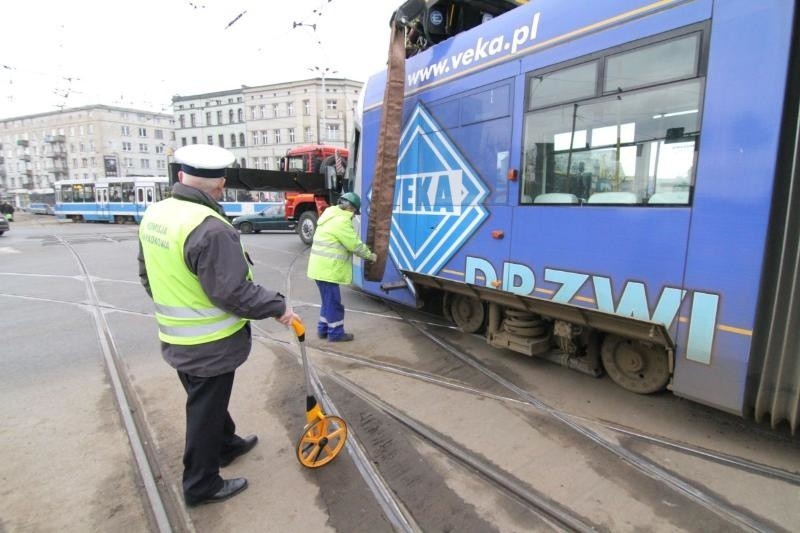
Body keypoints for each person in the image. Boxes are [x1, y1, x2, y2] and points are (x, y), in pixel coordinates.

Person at [137, 144, 299, 507]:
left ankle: (226, 445)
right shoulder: (210, 228)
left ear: (181, 178)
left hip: (175, 335)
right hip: (210, 342)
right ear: (220, 185)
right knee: (204, 411)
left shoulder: (157, 213)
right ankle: (200, 484)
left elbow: (146, 274)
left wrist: (177, 303)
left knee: (206, 402)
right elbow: (234, 293)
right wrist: (278, 307)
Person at [307, 192, 376, 342]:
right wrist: (370, 256)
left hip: (319, 268)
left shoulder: (329, 216)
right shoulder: (341, 221)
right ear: (350, 208)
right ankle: (336, 333)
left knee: (327, 301)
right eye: (354, 212)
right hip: (328, 270)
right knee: (333, 302)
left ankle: (323, 329)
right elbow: (354, 245)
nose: (353, 216)